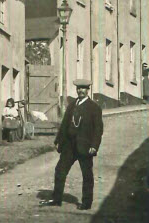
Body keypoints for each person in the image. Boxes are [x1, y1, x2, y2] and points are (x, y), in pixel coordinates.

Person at [40, 79, 103, 210]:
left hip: (85, 146)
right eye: (79, 88)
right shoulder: (72, 105)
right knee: (60, 170)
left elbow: (98, 129)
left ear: (88, 90)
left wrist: (94, 146)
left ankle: (86, 203)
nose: (80, 90)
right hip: (69, 145)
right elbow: (64, 125)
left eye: (83, 88)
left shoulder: (94, 108)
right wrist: (58, 141)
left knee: (87, 174)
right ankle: (57, 199)